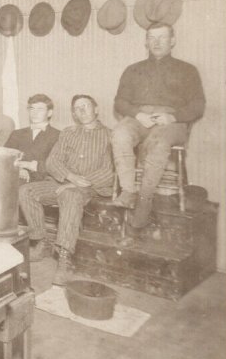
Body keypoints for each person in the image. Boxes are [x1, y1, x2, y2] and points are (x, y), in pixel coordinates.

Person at [111, 22, 205, 228]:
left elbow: (198, 105)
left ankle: (144, 202)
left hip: (172, 121)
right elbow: (120, 102)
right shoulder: (133, 70)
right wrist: (138, 114)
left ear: (172, 41)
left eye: (162, 37)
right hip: (141, 117)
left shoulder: (187, 70)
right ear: (146, 42)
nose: (157, 42)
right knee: (119, 133)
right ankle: (128, 192)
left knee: (159, 141)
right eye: (152, 38)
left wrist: (173, 117)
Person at [18, 95, 113, 285]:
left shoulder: (110, 135)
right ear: (74, 114)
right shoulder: (68, 133)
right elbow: (53, 162)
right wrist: (69, 177)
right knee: (26, 191)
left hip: (90, 186)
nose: (82, 111)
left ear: (96, 109)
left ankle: (64, 257)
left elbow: (109, 170)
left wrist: (77, 183)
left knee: (70, 195)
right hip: (62, 181)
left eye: (86, 106)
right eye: (77, 108)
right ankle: (41, 242)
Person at [5, 94, 61, 183]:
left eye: (40, 109)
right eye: (32, 109)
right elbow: (5, 159)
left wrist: (27, 168)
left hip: (42, 183)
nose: (34, 113)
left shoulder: (58, 136)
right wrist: (19, 170)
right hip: (14, 179)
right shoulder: (17, 134)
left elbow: (56, 166)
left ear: (49, 113)